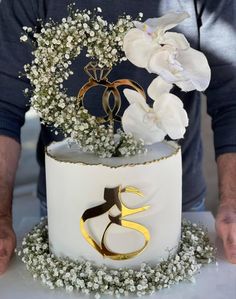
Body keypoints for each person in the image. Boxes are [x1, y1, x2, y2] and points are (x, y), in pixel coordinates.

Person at [0, 0, 236, 275]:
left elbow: (231, 97)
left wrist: (231, 204)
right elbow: (5, 104)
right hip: (66, 203)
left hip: (175, 202)